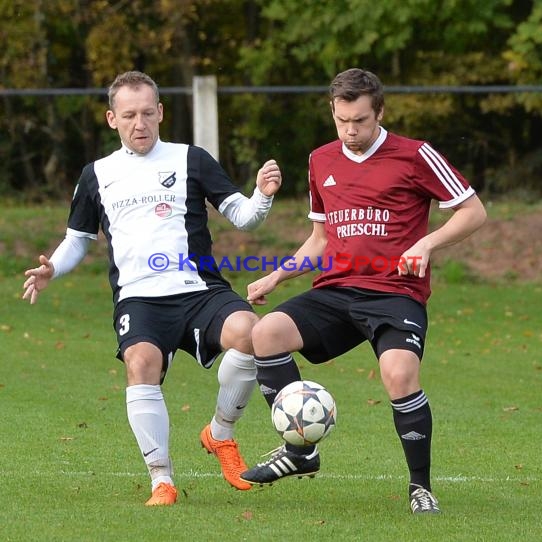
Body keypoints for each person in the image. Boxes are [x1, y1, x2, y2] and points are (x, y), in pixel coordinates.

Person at [22, 70, 282, 506]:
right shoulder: (96, 174)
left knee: (250, 333)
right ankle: (161, 478)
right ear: (112, 119)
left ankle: (221, 434)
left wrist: (262, 195)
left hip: (199, 289)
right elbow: (78, 238)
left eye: (147, 113)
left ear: (160, 113)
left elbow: (243, 216)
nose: (139, 123)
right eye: (128, 115)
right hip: (139, 297)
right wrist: (53, 270)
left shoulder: (191, 159)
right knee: (140, 362)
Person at [239, 68, 487, 514]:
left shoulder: (415, 155)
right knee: (266, 333)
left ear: (380, 113)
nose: (351, 131)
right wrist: (276, 277)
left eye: (360, 121)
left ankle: (420, 486)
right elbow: (320, 241)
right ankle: (301, 453)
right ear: (332, 113)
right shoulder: (321, 161)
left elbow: (473, 211)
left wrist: (426, 244)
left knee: (398, 375)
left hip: (395, 294)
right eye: (342, 121)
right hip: (336, 290)